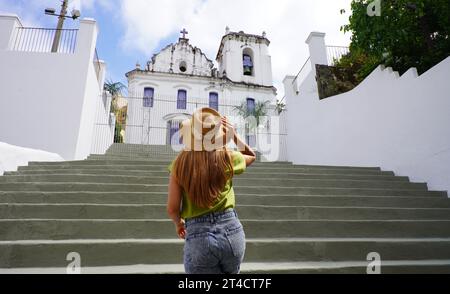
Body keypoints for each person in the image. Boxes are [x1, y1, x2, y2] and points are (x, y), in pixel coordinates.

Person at [167, 107, 256, 274]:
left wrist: (178, 223)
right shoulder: (228, 157)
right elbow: (251, 155)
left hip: (198, 237)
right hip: (232, 232)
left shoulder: (179, 164)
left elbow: (172, 208)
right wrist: (233, 135)